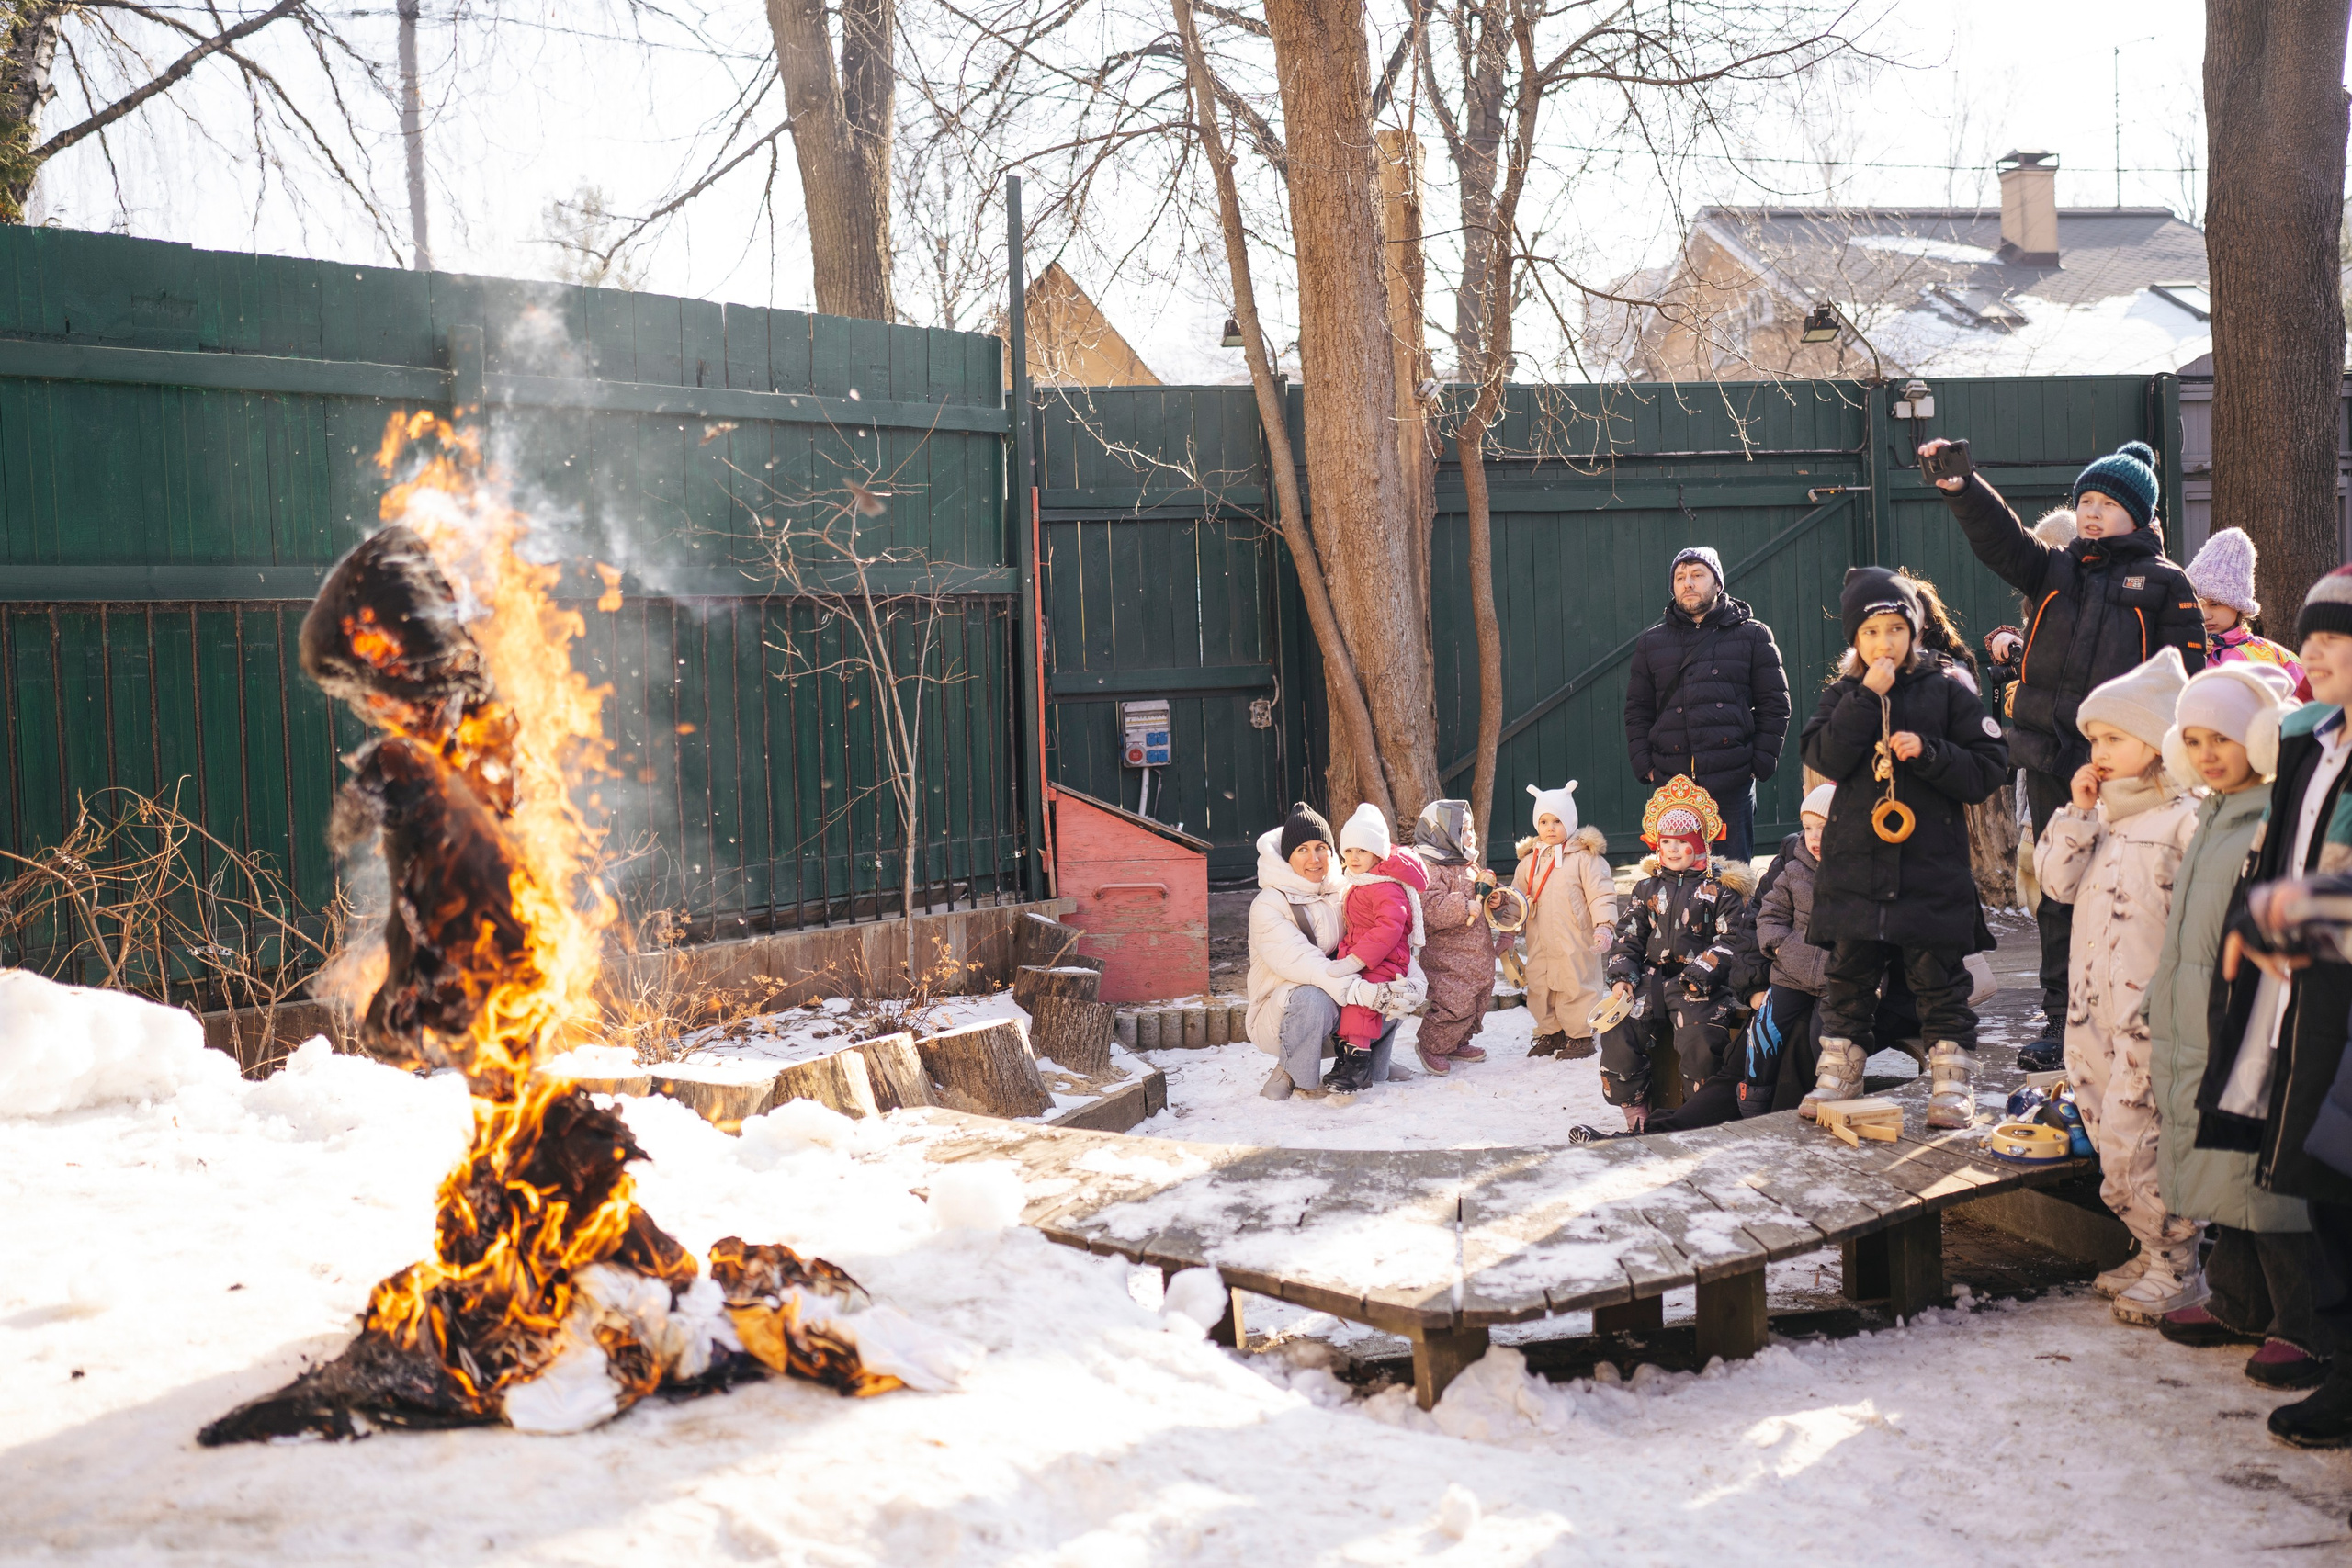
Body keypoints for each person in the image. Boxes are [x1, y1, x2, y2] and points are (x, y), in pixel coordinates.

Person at [1922, 436, 2204, 1069]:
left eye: (2107, 502)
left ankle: (2132, 1009)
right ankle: (2062, 1016)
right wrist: (1964, 488)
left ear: (2141, 514)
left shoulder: (2164, 583)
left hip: (2125, 767)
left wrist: (2157, 753)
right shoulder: (2057, 568)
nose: (2093, 513)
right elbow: (2004, 541)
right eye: (2086, 502)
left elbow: (2181, 678)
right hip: (2051, 756)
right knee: (2059, 890)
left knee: (2126, 888)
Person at [2203, 564, 2352, 1447]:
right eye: (2314, 636)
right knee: (2318, 1180)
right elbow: (2277, 856)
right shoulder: (2311, 740)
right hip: (2300, 1002)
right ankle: (2339, 1364)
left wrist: (2275, 918)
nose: (2315, 652)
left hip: (2337, 1000)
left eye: (2338, 639)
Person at [2145, 662, 2324, 1386]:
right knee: (2224, 1174)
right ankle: (2240, 1299)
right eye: (2195, 738)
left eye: (2224, 736)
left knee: (2265, 1180)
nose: (2210, 751)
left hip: (2250, 1019)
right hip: (2199, 1018)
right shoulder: (2213, 813)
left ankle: (2306, 1322)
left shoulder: (2271, 814)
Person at [1799, 566, 2008, 1126]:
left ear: (1913, 631)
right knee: (1848, 976)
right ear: (1855, 641)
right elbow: (1825, 755)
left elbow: (1990, 768)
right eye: (1870, 633)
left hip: (1928, 868)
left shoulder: (1946, 688)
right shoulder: (1844, 694)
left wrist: (1932, 753)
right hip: (1856, 867)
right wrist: (1866, 698)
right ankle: (1840, 1074)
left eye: (1894, 629)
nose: (1883, 642)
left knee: (1938, 977)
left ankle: (1950, 1082)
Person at [2032, 649, 2204, 1323]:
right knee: (2107, 1133)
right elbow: (2055, 882)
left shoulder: (2185, 819)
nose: (2098, 753)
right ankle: (2146, 1243)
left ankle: (2177, 1261)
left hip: (2150, 1015)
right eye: (2094, 739)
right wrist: (2075, 815)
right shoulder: (2102, 817)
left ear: (2159, 741)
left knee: (2144, 1137)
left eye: (2114, 738)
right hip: (2091, 1015)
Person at [1597, 776, 1755, 1131]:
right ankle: (1637, 1115)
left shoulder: (1720, 890)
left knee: (1701, 1041)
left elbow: (1732, 940)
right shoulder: (1646, 888)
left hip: (1701, 986)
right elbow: (1629, 935)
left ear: (1699, 846)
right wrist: (1622, 976)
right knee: (1618, 1032)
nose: (1671, 849)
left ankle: (1696, 1118)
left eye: (1681, 842)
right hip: (1650, 980)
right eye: (1665, 841)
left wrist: (1703, 973)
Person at [1622, 546, 1792, 860]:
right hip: (1672, 783)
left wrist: (1758, 764)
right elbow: (1637, 711)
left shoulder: (1753, 635)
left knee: (1732, 880)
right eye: (1680, 577)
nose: (1688, 583)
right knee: (1678, 880)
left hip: (1732, 781)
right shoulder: (1651, 643)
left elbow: (1774, 705)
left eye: (1698, 575)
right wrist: (1646, 767)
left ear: (1718, 582)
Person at [1245, 803, 1410, 1103]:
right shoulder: (1268, 904)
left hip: (1340, 999)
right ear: (1287, 856)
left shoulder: (1346, 890)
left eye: (1321, 847)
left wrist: (1412, 982)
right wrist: (1361, 992)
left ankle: (1371, 1063)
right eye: (1303, 850)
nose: (1315, 858)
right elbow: (1304, 964)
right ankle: (1291, 1070)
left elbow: (1384, 936)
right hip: (1284, 1011)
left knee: (1393, 983)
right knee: (1314, 996)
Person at [1747, 782, 1835, 1116]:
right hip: (1790, 973)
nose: (1813, 837)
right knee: (1764, 1031)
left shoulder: (1858, 872)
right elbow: (1770, 914)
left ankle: (1826, 1099)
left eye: (1824, 828)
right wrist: (1781, 947)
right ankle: (1753, 1107)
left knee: (1823, 1037)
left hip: (1834, 978)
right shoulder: (1795, 869)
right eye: (1807, 828)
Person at [1511, 780, 1616, 1060]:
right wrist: (1506, 913)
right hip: (1539, 939)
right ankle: (1551, 1030)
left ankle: (1580, 1035)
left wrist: (1604, 925)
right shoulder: (1528, 862)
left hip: (1575, 937)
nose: (1550, 828)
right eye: (1544, 821)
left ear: (1570, 821)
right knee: (1540, 983)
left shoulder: (1584, 859)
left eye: (1557, 821)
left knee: (1575, 982)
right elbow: (1517, 899)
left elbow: (1601, 893)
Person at [1329, 804, 1428, 1093]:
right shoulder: (1361, 882)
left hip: (1384, 961)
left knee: (1361, 1004)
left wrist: (1356, 960)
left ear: (1377, 853)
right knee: (1347, 1002)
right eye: (1348, 851)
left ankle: (1358, 1070)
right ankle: (1347, 1060)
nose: (1353, 857)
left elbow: (1389, 928)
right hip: (1369, 957)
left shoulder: (1385, 887)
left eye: (1361, 851)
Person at [1407, 800, 1498, 1076]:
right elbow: (1429, 907)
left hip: (1478, 956)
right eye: (1463, 830)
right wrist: (1461, 906)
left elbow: (1483, 885)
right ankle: (1432, 1046)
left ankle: (1458, 1041)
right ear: (1440, 834)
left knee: (1478, 999)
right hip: (1447, 959)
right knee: (1452, 1003)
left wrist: (1495, 898)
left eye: (1471, 830)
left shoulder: (1467, 863)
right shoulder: (1430, 868)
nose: (1470, 836)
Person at [2185, 526, 2307, 690]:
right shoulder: (2182, 650)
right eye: (2198, 604)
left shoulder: (2271, 657)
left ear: (2238, 605)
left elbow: (2305, 701)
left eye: (2216, 604)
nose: (2205, 615)